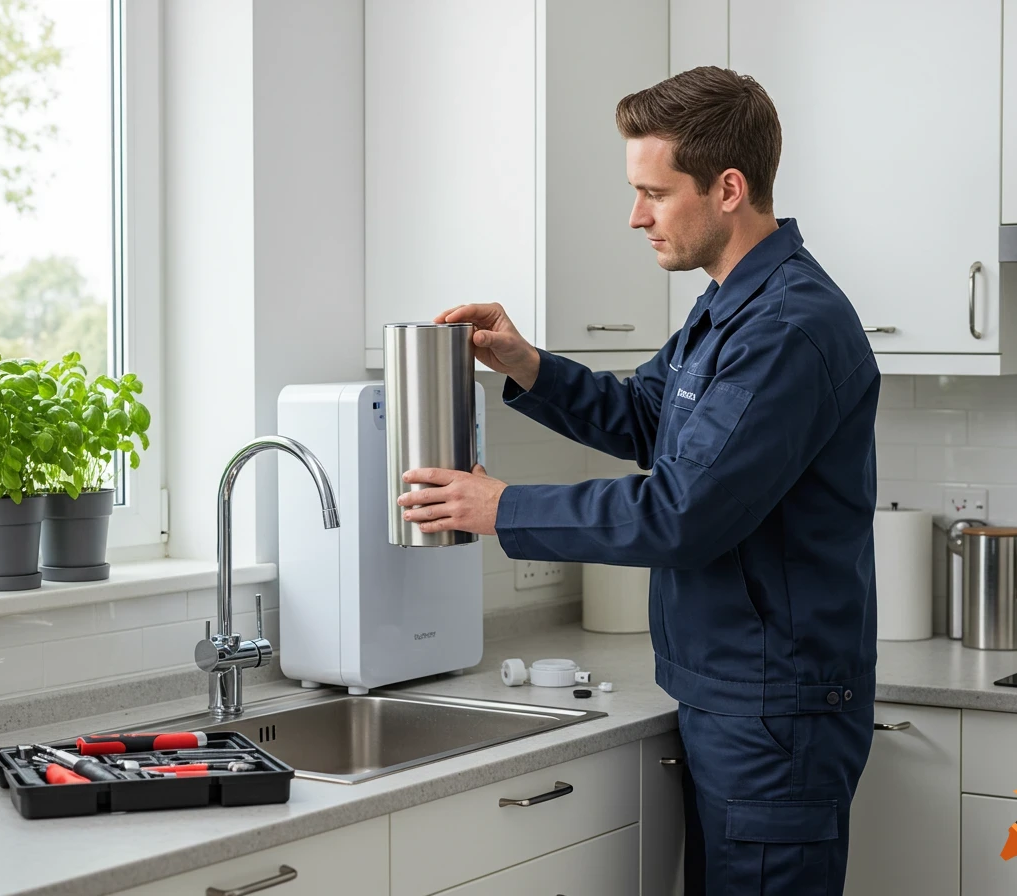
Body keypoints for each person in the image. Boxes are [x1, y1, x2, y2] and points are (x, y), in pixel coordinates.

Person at [397, 65, 879, 895]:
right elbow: (645, 415)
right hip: (729, 696)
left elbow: (682, 512)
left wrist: (503, 508)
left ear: (728, 188)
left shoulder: (788, 328)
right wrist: (527, 362)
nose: (636, 215)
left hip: (773, 711)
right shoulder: (730, 303)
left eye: (654, 192)